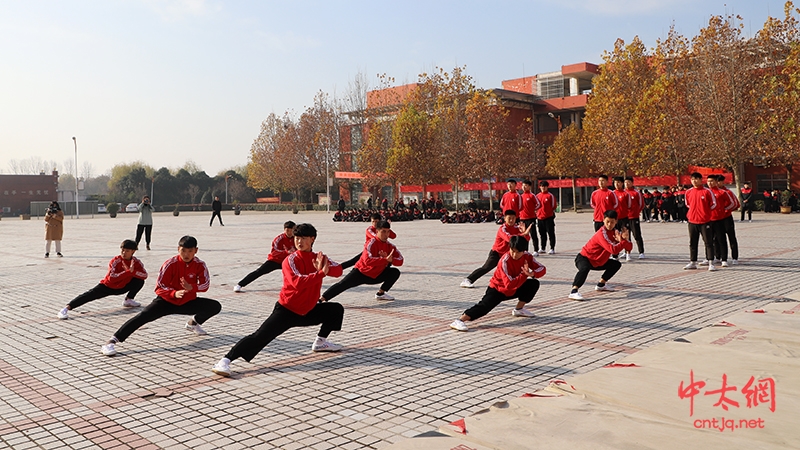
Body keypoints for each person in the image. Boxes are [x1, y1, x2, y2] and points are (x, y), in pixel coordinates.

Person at [212, 224, 344, 377]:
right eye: (297, 238)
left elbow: (338, 270)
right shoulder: (290, 260)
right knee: (259, 337)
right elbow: (297, 282)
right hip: (287, 310)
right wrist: (320, 273)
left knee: (335, 309)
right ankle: (225, 361)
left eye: (303, 238)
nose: (299, 242)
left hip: (308, 310)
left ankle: (321, 342)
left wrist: (325, 268)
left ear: (312, 239)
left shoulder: (319, 258)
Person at [100, 236, 221, 356]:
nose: (186, 254)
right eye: (183, 250)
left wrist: (192, 288)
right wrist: (174, 293)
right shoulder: (170, 263)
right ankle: (111, 341)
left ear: (196, 250)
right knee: (142, 317)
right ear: (178, 249)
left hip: (187, 301)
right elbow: (160, 287)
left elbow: (205, 285)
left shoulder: (200, 264)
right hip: (166, 301)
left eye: (190, 251)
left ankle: (193, 324)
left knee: (215, 306)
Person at [450, 236, 546, 331]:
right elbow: (509, 284)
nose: (515, 254)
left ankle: (519, 310)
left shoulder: (527, 256)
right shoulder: (505, 260)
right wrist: (524, 274)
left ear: (524, 251)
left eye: (518, 252)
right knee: (484, 307)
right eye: (513, 251)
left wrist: (532, 273)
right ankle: (459, 320)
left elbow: (542, 268)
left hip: (514, 288)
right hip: (498, 289)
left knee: (533, 284)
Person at [58, 240, 147, 320]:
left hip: (123, 287)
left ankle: (129, 300)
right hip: (108, 286)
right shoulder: (115, 261)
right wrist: (127, 272)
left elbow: (144, 275)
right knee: (88, 295)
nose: (124, 252)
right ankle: (65, 309)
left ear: (133, 252)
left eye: (127, 251)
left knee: (139, 281)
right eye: (122, 250)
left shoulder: (136, 262)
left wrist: (133, 272)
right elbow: (112, 278)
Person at [321, 220, 403, 301]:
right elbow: (367, 261)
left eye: (388, 232)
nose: (386, 235)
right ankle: (321, 299)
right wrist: (385, 260)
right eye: (383, 232)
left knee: (395, 272)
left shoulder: (390, 246)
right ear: (377, 231)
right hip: (361, 272)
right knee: (342, 284)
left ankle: (381, 294)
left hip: (377, 275)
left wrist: (392, 260)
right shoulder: (371, 243)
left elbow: (401, 260)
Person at [568, 210, 632, 301]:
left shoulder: (616, 232)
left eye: (612, 222)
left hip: (599, 261)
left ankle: (601, 285)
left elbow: (629, 247)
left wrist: (625, 239)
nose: (609, 224)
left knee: (616, 264)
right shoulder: (601, 233)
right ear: (603, 220)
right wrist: (623, 242)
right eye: (607, 222)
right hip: (585, 258)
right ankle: (574, 291)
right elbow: (613, 250)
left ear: (616, 222)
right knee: (584, 269)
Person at [461, 210, 532, 288]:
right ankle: (468, 280)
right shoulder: (502, 229)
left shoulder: (517, 228)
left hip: (508, 254)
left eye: (513, 218)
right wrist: (523, 234)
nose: (511, 220)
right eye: (509, 218)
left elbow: (526, 239)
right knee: (486, 267)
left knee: (513, 268)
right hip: (497, 253)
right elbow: (509, 239)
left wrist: (526, 233)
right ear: (505, 218)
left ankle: (517, 281)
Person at [233, 221, 296, 292]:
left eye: (291, 231)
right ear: (284, 230)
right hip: (275, 260)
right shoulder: (279, 239)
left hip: (288, 261)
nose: (289, 233)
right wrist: (287, 252)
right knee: (259, 271)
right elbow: (275, 252)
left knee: (300, 271)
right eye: (287, 230)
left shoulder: (297, 238)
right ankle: (240, 285)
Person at [683, 172, 717, 271]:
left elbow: (713, 204)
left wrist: (705, 212)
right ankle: (693, 262)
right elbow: (688, 204)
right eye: (692, 179)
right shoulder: (688, 192)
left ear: (701, 180)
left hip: (705, 221)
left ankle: (711, 262)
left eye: (696, 179)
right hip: (692, 221)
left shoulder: (707, 191)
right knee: (693, 242)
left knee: (708, 242)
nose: (694, 181)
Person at [715, 174, 740, 266]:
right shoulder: (711, 192)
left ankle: (734, 257)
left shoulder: (727, 192)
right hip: (717, 218)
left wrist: (725, 210)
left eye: (718, 181)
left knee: (731, 237)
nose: (717, 183)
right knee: (717, 238)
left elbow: (736, 204)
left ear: (722, 182)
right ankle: (718, 256)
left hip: (726, 218)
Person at [624, 177, 645, 260]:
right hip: (624, 217)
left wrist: (636, 212)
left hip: (634, 217)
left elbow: (641, 204)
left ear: (632, 183)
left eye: (628, 182)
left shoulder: (636, 193)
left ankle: (641, 252)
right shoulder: (623, 192)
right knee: (626, 236)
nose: (627, 184)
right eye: (625, 182)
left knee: (637, 235)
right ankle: (627, 252)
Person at [518, 180, 541, 255]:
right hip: (522, 218)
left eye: (526, 185)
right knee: (524, 235)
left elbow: (538, 204)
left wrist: (533, 210)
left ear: (529, 186)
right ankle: (525, 250)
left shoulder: (532, 195)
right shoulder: (520, 196)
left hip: (531, 218)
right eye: (523, 185)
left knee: (533, 234)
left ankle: (536, 250)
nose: (524, 187)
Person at [536, 181, 557, 255]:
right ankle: (543, 248)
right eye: (541, 186)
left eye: (544, 186)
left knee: (551, 233)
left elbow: (553, 206)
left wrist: (548, 212)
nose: (543, 188)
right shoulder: (537, 196)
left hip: (548, 217)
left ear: (547, 187)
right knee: (542, 234)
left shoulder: (550, 196)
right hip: (539, 218)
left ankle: (552, 248)